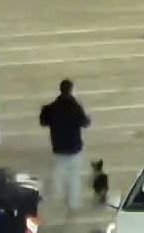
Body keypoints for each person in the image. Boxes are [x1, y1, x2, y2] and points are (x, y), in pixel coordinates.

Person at [38, 79, 91, 215]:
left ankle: (58, 195)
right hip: (74, 147)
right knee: (74, 176)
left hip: (59, 147)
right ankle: (73, 202)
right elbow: (85, 122)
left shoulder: (52, 108)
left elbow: (43, 121)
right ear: (71, 90)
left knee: (59, 173)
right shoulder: (76, 107)